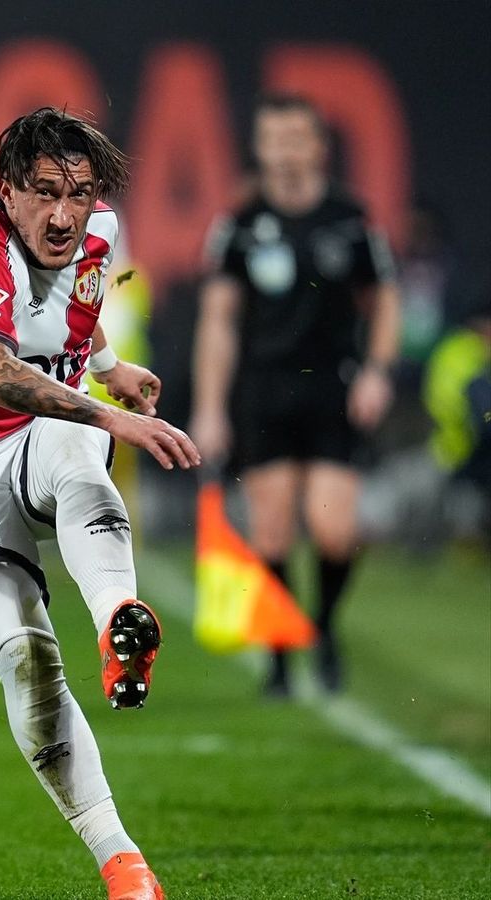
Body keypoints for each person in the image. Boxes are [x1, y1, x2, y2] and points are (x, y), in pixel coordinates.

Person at [0, 107, 198, 900]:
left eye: (81, 194)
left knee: (68, 443)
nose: (65, 215)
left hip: (38, 438)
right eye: (45, 193)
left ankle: (117, 622)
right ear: (7, 192)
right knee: (25, 658)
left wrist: (109, 365)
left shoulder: (99, 235)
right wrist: (108, 410)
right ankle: (123, 865)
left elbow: (78, 316)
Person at [190, 95, 401, 696]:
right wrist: (210, 406)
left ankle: (325, 625)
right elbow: (218, 320)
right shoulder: (239, 224)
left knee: (334, 532)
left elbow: (384, 299)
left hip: (333, 387)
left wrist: (377, 371)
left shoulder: (350, 219)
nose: (281, 152)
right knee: (273, 534)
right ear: (259, 148)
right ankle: (282, 656)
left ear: (317, 148)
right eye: (271, 140)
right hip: (264, 391)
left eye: (293, 140)